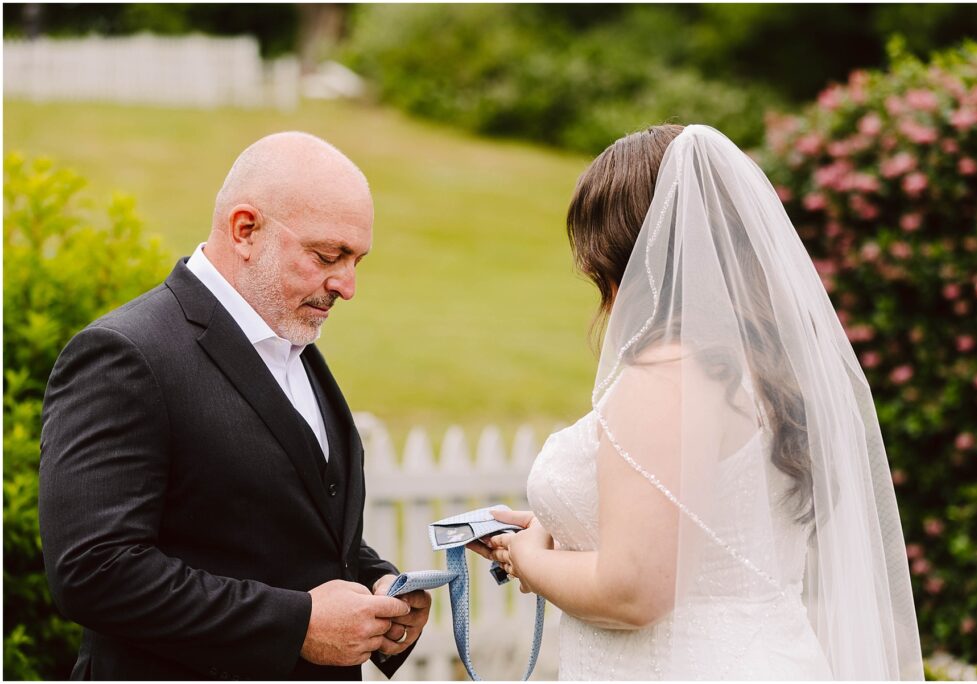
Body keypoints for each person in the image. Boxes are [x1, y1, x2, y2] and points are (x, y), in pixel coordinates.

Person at [470, 124, 924, 679]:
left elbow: (634, 592)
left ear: (629, 253)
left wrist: (528, 562)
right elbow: (706, 530)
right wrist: (560, 529)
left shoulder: (667, 375)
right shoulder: (758, 371)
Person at [38, 131, 430, 680]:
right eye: (328, 256)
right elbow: (95, 572)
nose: (347, 285)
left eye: (357, 260)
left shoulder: (292, 342)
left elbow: (284, 525)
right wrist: (297, 624)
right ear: (246, 230)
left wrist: (378, 586)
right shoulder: (126, 354)